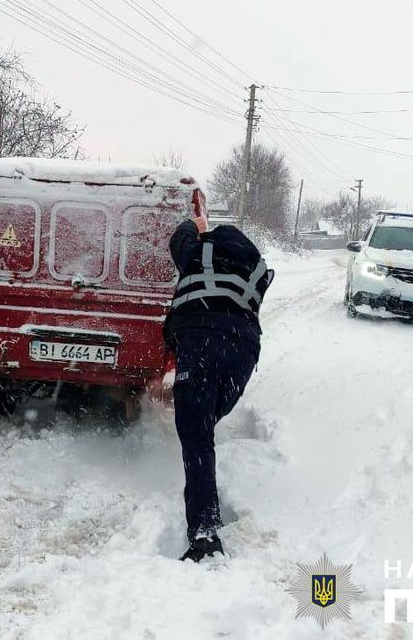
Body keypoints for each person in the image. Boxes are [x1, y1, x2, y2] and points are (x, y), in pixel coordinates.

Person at [164, 211, 274, 562]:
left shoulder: (199, 252)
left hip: (199, 342)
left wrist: (193, 226)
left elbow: (177, 240)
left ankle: (205, 533)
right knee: (204, 422)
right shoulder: (254, 263)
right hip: (242, 351)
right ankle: (203, 487)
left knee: (196, 435)